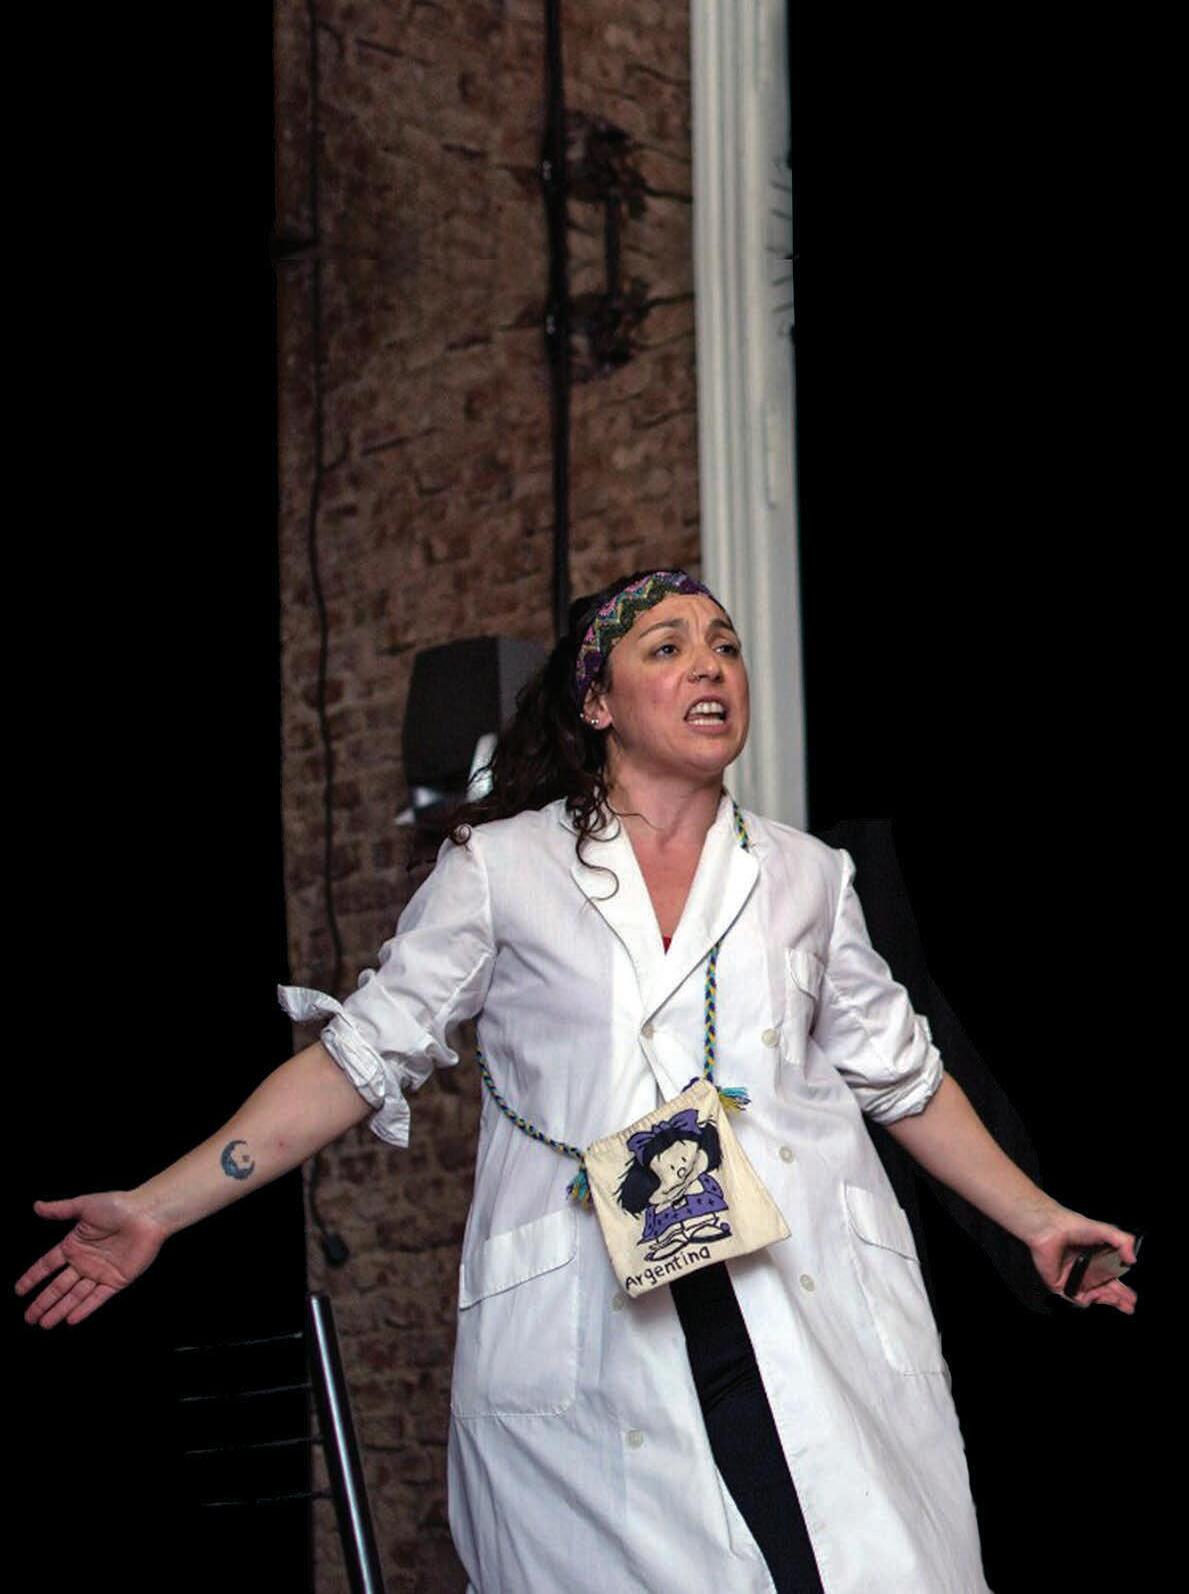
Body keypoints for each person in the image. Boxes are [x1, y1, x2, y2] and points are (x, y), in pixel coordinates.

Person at [17, 568, 1138, 1593]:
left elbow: (904, 1081)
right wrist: (158, 1206)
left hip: (806, 1310)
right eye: (668, 647)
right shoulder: (501, 868)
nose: (709, 665)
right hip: (595, 1325)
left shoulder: (807, 875)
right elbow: (356, 1062)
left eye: (725, 645)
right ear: (597, 701)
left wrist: (1037, 1220)